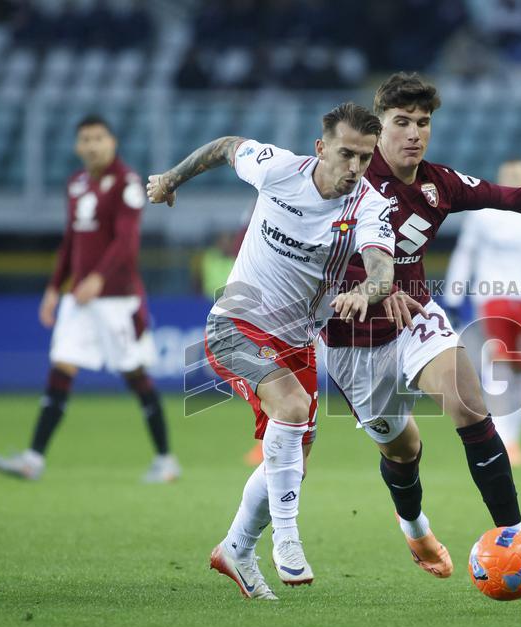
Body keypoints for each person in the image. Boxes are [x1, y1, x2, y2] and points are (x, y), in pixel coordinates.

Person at [321, 73, 521, 596]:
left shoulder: (438, 185)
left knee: (470, 404)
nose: (414, 133)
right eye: (401, 122)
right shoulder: (348, 179)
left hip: (415, 321)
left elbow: (510, 196)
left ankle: (514, 542)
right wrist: (370, 287)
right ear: (378, 127)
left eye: (423, 123)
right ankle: (414, 528)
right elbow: (316, 255)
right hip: (351, 340)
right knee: (402, 450)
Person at [146, 102, 407, 600]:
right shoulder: (278, 168)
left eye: (364, 158)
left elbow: (381, 273)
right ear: (320, 148)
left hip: (298, 339)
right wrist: (172, 179)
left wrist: (365, 293)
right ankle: (286, 539)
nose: (354, 168)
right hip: (235, 324)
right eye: (346, 154)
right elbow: (224, 147)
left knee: (290, 465)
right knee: (291, 407)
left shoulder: (369, 205)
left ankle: (235, 548)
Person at [0, 115, 180, 483]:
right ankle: (33, 459)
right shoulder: (75, 184)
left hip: (117, 300)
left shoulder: (127, 183)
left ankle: (166, 460)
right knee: (61, 367)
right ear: (77, 146)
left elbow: (126, 242)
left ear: (113, 142)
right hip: (79, 299)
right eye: (85, 139)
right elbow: (71, 241)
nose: (92, 145)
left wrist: (97, 278)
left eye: (98, 138)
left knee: (134, 372)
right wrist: (53, 287)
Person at [444, 159, 521, 467]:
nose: (515, 179)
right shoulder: (484, 214)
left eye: (520, 175)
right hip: (492, 296)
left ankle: (512, 436)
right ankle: (500, 433)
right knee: (496, 364)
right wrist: (454, 296)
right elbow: (465, 255)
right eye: (510, 175)